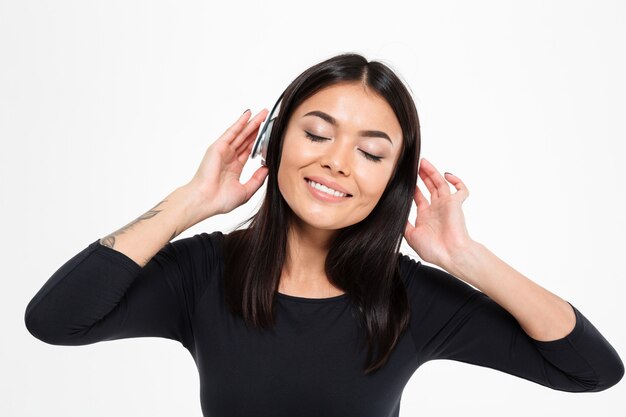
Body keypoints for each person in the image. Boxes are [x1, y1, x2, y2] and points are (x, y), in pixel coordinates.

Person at [24, 53, 623, 417]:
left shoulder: (409, 300)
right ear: (276, 143)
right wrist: (190, 202)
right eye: (316, 134)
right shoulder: (204, 272)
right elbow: (56, 321)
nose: (337, 162)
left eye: (369, 151)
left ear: (393, 179)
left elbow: (591, 371)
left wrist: (466, 257)